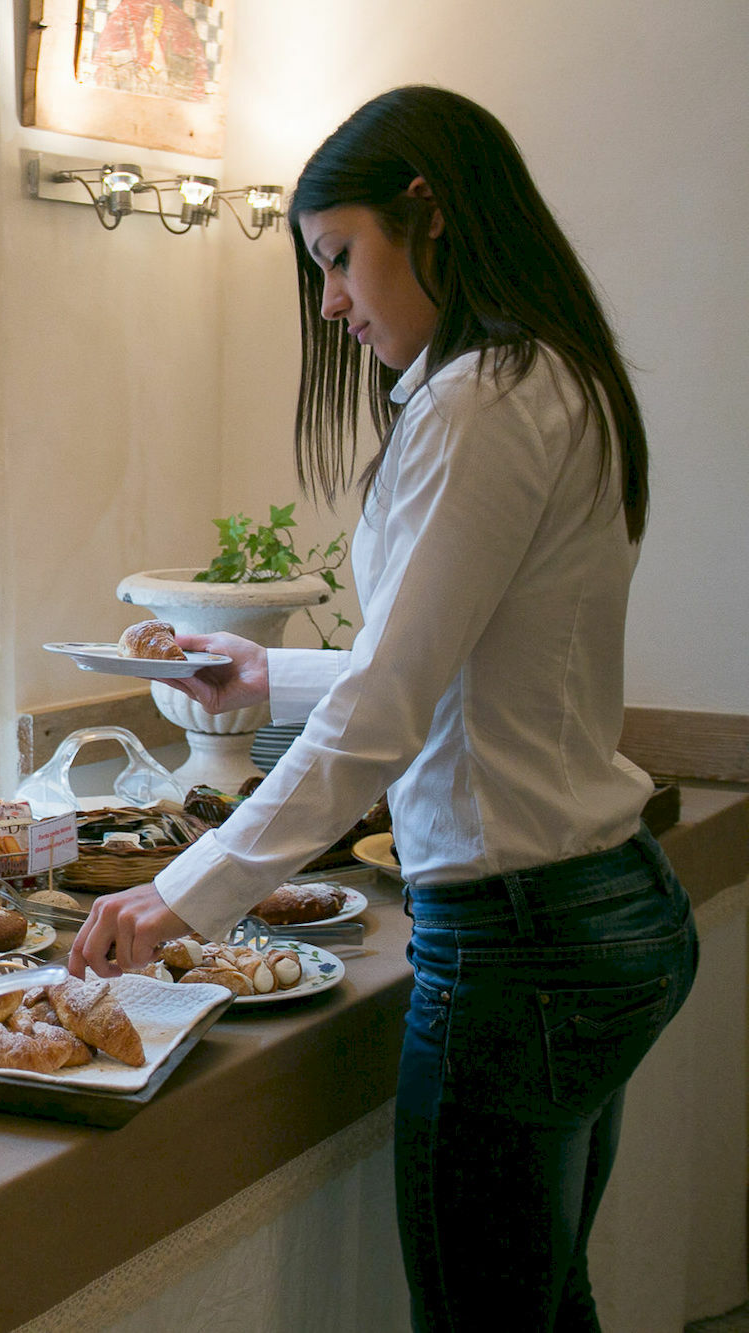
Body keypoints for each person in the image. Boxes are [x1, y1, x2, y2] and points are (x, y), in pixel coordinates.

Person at [70, 85, 699, 1332]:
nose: (330, 303)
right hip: (605, 908)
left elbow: (386, 713)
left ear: (431, 211)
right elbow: (468, 666)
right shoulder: (551, 376)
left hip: (520, 946)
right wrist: (263, 678)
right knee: (537, 1301)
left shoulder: (477, 396)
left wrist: (186, 889)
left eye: (338, 256)